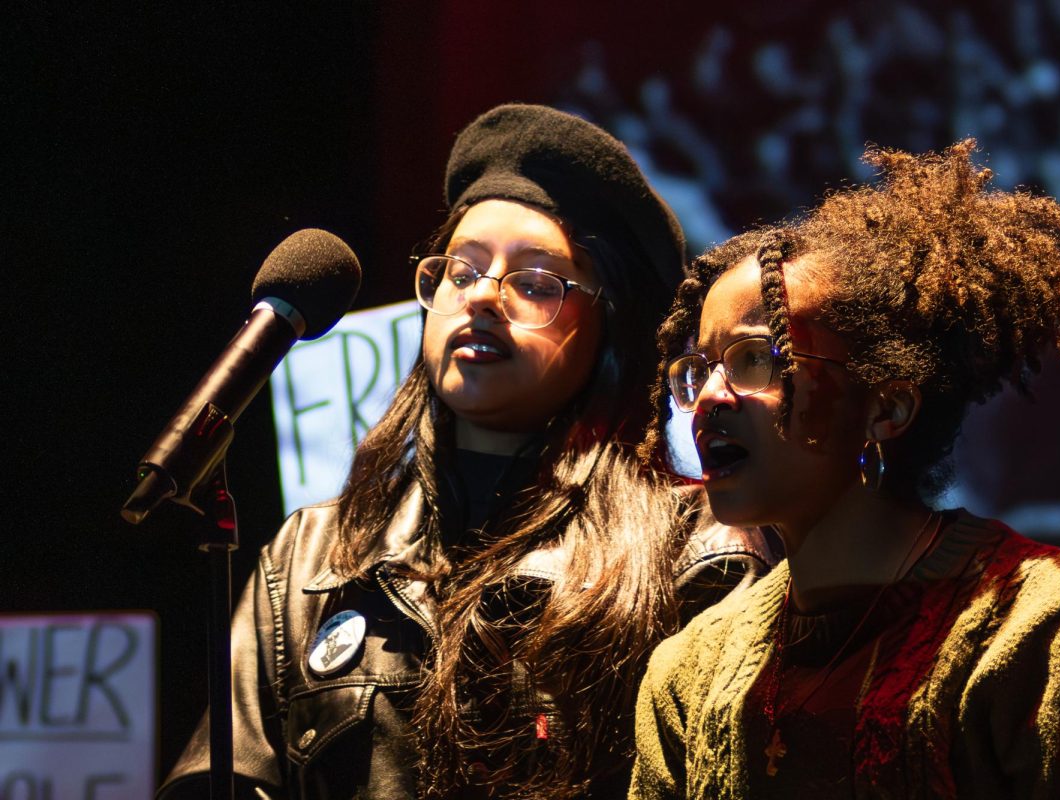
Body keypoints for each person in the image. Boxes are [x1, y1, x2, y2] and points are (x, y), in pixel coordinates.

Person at [158, 104, 775, 800]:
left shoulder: (699, 552)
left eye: (536, 283)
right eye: (461, 271)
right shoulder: (313, 560)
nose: (483, 297)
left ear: (611, 328)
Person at [629, 140, 1060, 798]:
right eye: (699, 369)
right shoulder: (689, 673)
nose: (708, 398)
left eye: (755, 360)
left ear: (889, 405)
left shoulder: (1043, 630)